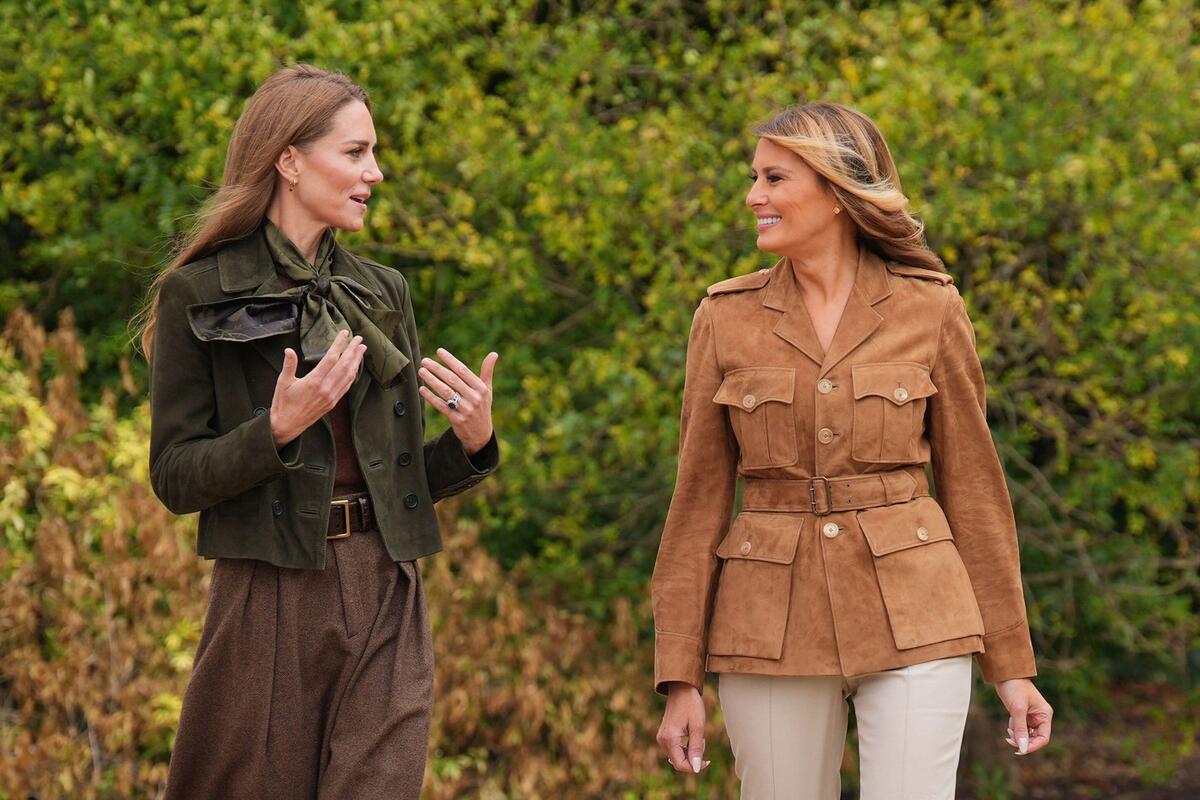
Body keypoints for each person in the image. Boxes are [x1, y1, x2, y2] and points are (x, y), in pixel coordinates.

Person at [651, 102, 1053, 799]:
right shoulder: (724, 317)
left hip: (921, 612)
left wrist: (1012, 664)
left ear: (837, 191)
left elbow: (976, 491)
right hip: (767, 625)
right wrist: (679, 675)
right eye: (754, 178)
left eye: (775, 178)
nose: (753, 197)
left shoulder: (930, 307)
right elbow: (696, 504)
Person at [136, 64, 500, 799]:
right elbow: (174, 476)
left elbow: (400, 480)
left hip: (388, 584)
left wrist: (472, 444)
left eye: (374, 153)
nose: (377, 172)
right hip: (268, 589)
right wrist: (274, 431)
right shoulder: (196, 293)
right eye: (356, 152)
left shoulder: (384, 291)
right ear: (290, 161)